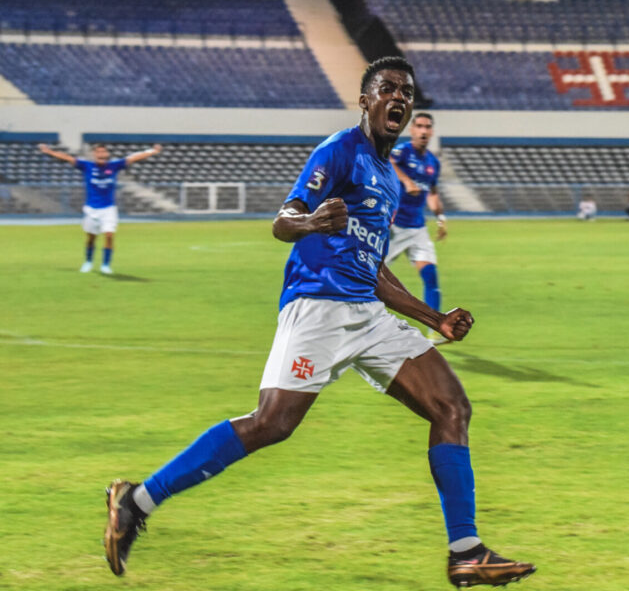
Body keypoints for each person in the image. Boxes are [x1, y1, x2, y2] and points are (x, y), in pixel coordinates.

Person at [102, 57, 535, 589]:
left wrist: (435, 319)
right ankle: (136, 502)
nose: (398, 97)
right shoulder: (339, 151)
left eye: (406, 91)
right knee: (271, 424)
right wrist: (308, 221)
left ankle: (466, 552)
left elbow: (372, 266)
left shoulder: (387, 181)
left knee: (452, 406)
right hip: (318, 307)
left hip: (367, 313)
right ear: (366, 100)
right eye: (387, 89)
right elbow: (284, 220)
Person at [37, 142, 162, 274]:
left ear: (107, 154)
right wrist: (49, 152)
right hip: (91, 209)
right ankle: (88, 261)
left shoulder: (114, 166)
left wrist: (152, 151)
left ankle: (105, 265)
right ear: (94, 154)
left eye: (103, 152)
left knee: (109, 235)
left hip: (108, 209)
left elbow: (134, 158)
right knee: (91, 238)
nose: (101, 154)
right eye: (98, 152)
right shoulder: (87, 166)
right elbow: (67, 158)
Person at [386, 112, 447, 339]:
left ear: (431, 132)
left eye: (427, 127)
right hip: (392, 227)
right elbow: (387, 162)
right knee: (368, 276)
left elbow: (432, 192)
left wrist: (441, 218)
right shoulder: (402, 152)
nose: (423, 131)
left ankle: (435, 332)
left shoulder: (433, 163)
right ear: (412, 130)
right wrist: (406, 180)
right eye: (419, 126)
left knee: (431, 276)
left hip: (417, 228)